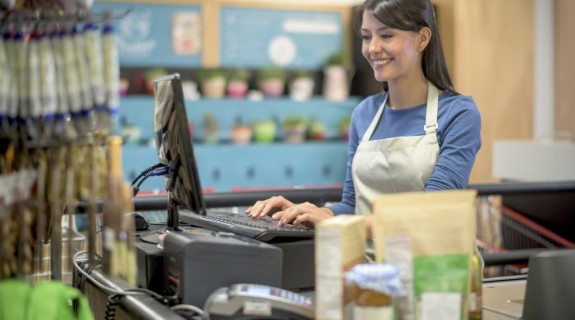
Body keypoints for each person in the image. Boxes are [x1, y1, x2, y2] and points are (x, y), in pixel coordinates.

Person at [246, 0, 481, 233]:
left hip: (433, 267)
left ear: (422, 38)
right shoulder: (364, 113)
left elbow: (433, 212)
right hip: (370, 267)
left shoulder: (458, 114)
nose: (372, 48)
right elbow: (352, 205)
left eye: (386, 35)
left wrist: (332, 222)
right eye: (367, 36)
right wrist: (305, 213)